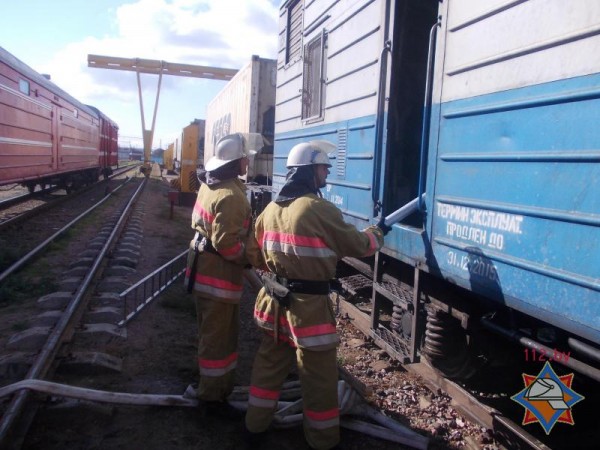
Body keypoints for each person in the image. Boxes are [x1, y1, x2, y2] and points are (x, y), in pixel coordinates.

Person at [244, 141, 388, 449]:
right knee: (318, 376)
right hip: (308, 309)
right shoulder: (317, 208)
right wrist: (377, 234)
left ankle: (254, 426)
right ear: (310, 171)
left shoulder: (269, 210)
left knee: (269, 366)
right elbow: (358, 246)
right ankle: (322, 441)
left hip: (275, 301)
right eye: (323, 167)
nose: (326, 173)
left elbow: (254, 256)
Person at [185, 132, 264, 417]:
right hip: (217, 279)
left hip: (201, 271)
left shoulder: (210, 184)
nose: (248, 162)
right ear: (237, 161)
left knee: (212, 335)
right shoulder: (231, 196)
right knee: (219, 341)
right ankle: (210, 397)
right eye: (245, 157)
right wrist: (254, 258)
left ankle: (217, 388)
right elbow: (227, 245)